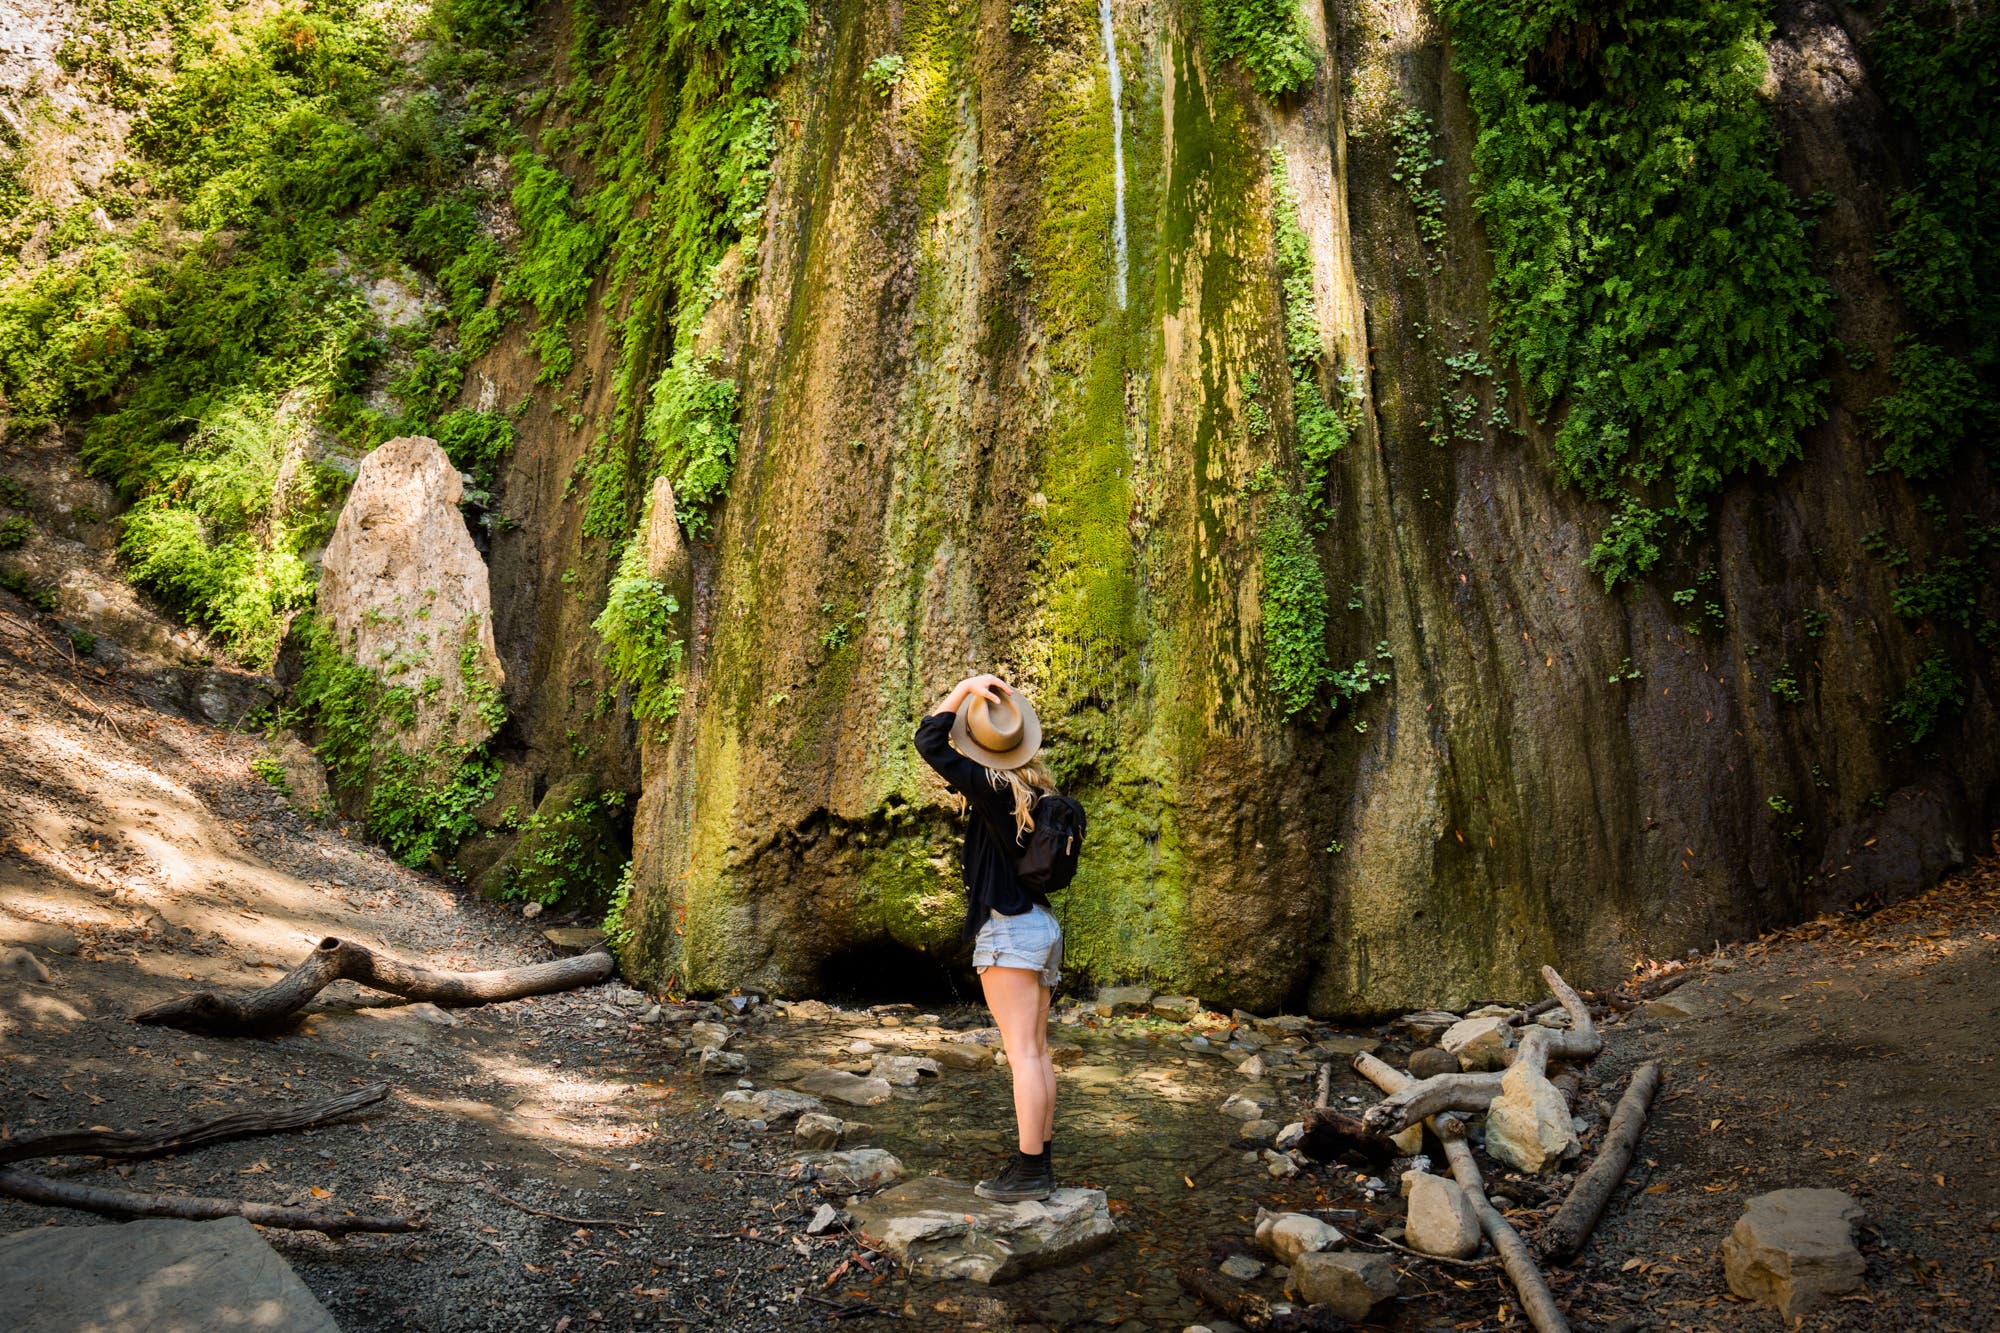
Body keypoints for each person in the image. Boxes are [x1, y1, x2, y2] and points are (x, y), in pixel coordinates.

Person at [914, 672, 1067, 1202]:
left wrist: (964, 689)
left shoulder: (993, 787)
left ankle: (1029, 1171)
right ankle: (1037, 1165)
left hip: (1010, 927)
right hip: (1042, 926)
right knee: (1038, 1051)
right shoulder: (1036, 792)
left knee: (1022, 1054)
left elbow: (928, 739)